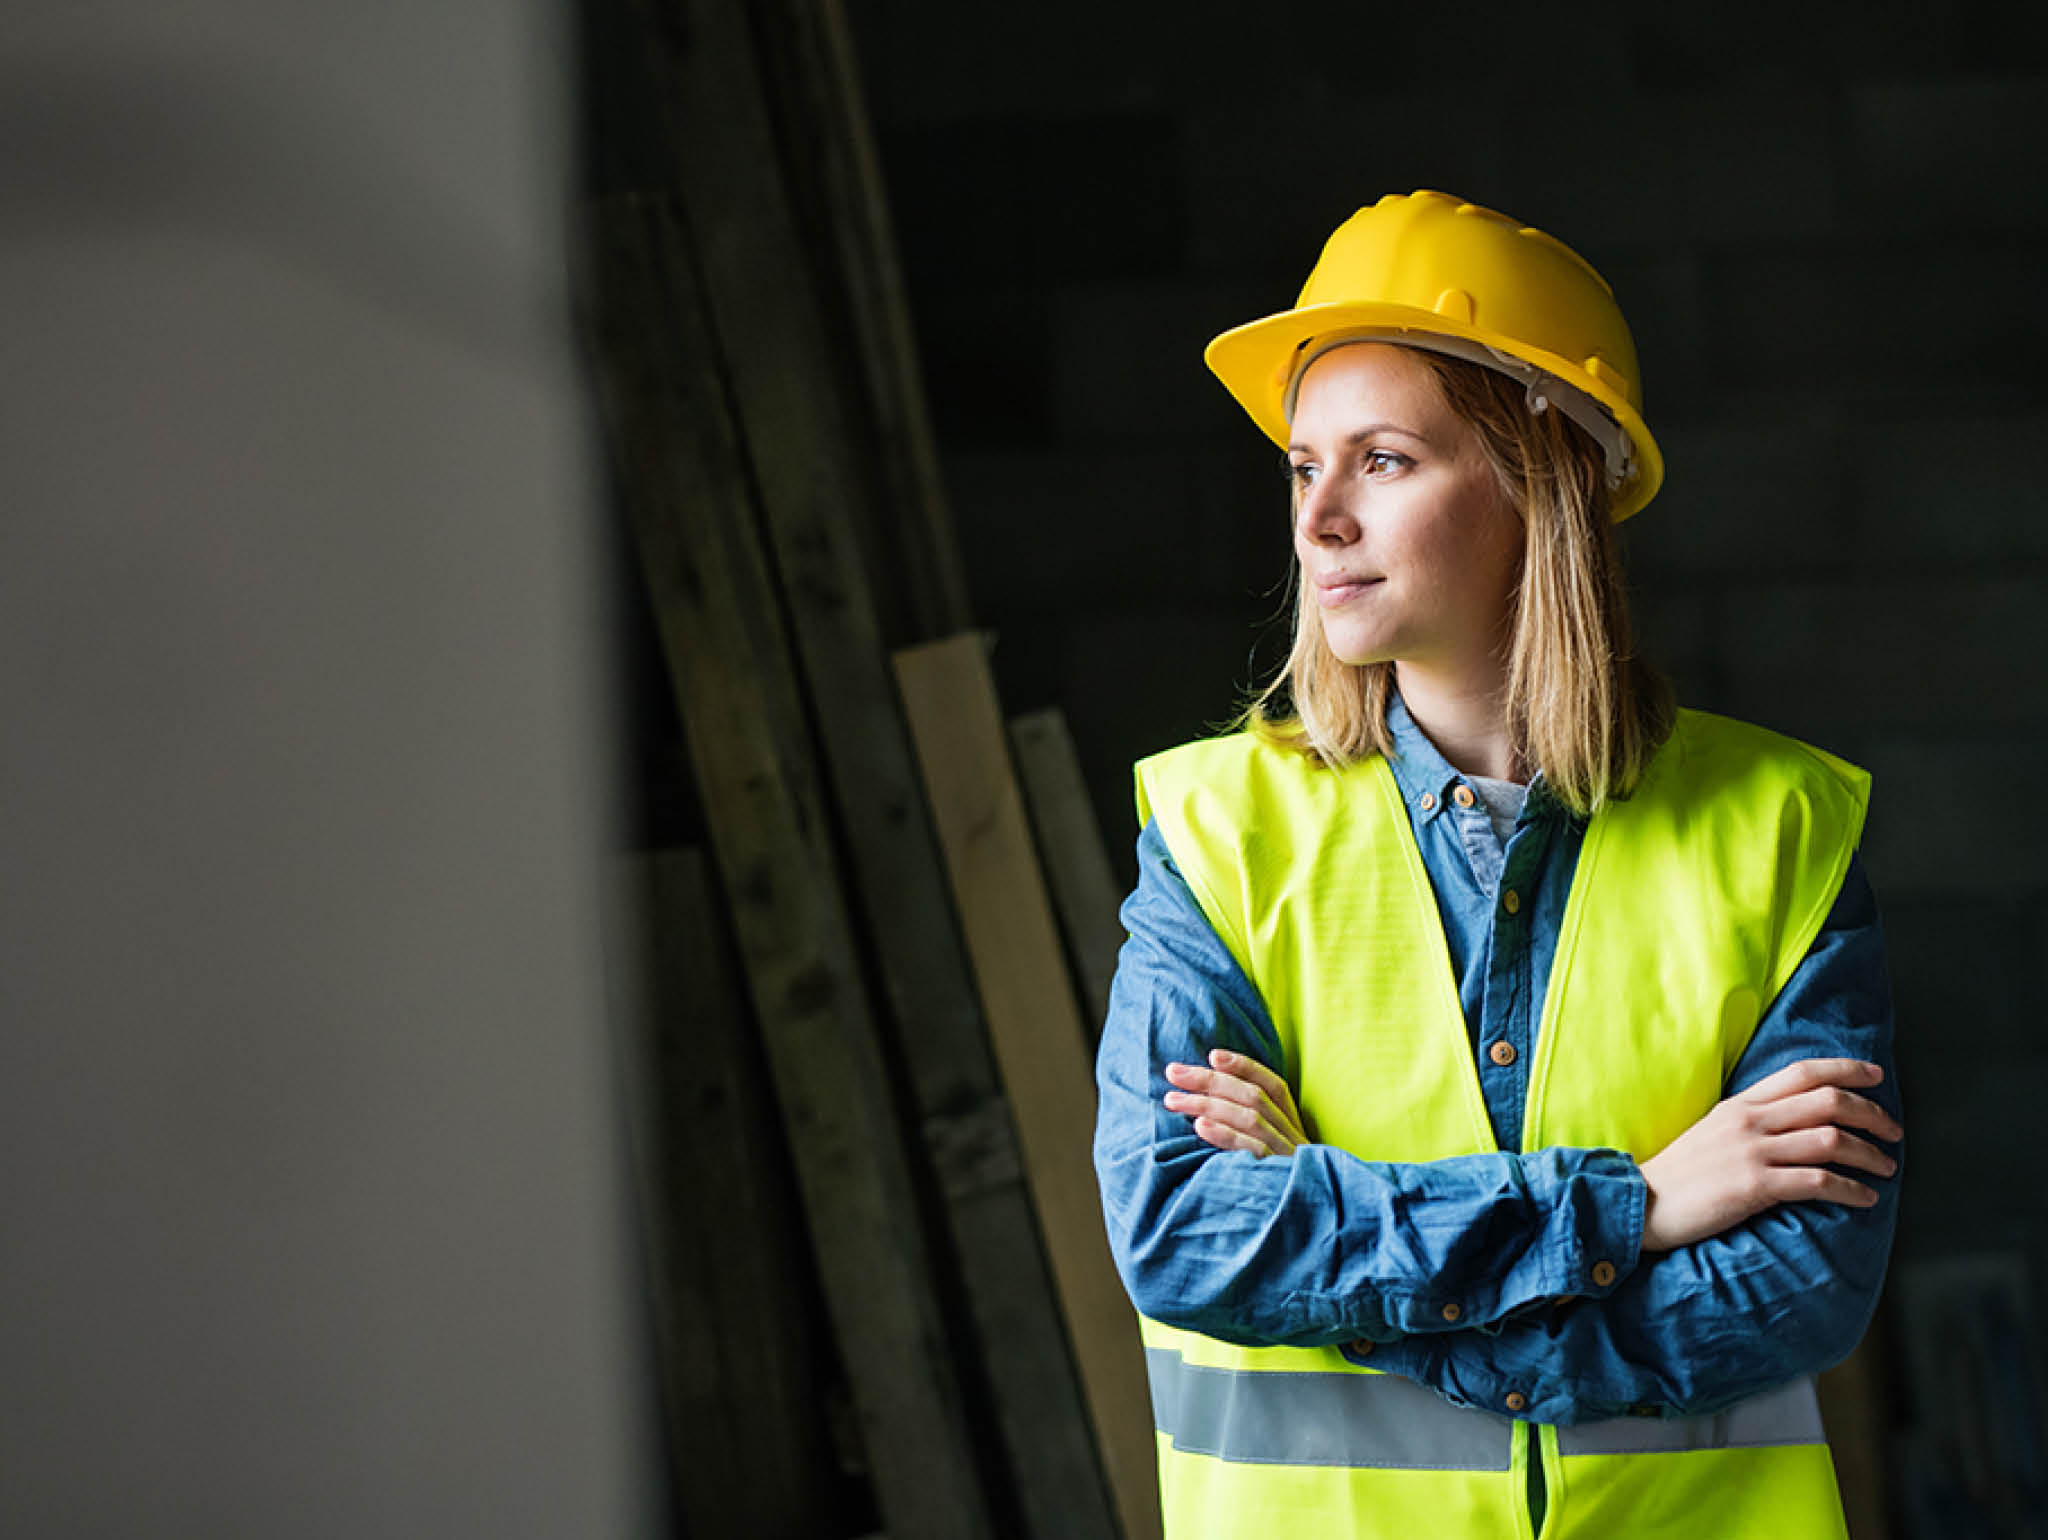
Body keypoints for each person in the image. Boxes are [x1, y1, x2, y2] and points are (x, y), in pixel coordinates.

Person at [1091, 190, 1903, 1540]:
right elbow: (1186, 1233)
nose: (1320, 521)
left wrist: (1377, 1287)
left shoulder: (1783, 832)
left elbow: (1804, 1281)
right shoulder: (1219, 833)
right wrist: (1630, 1208)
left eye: (1385, 462)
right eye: (1304, 467)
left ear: (1550, 473)